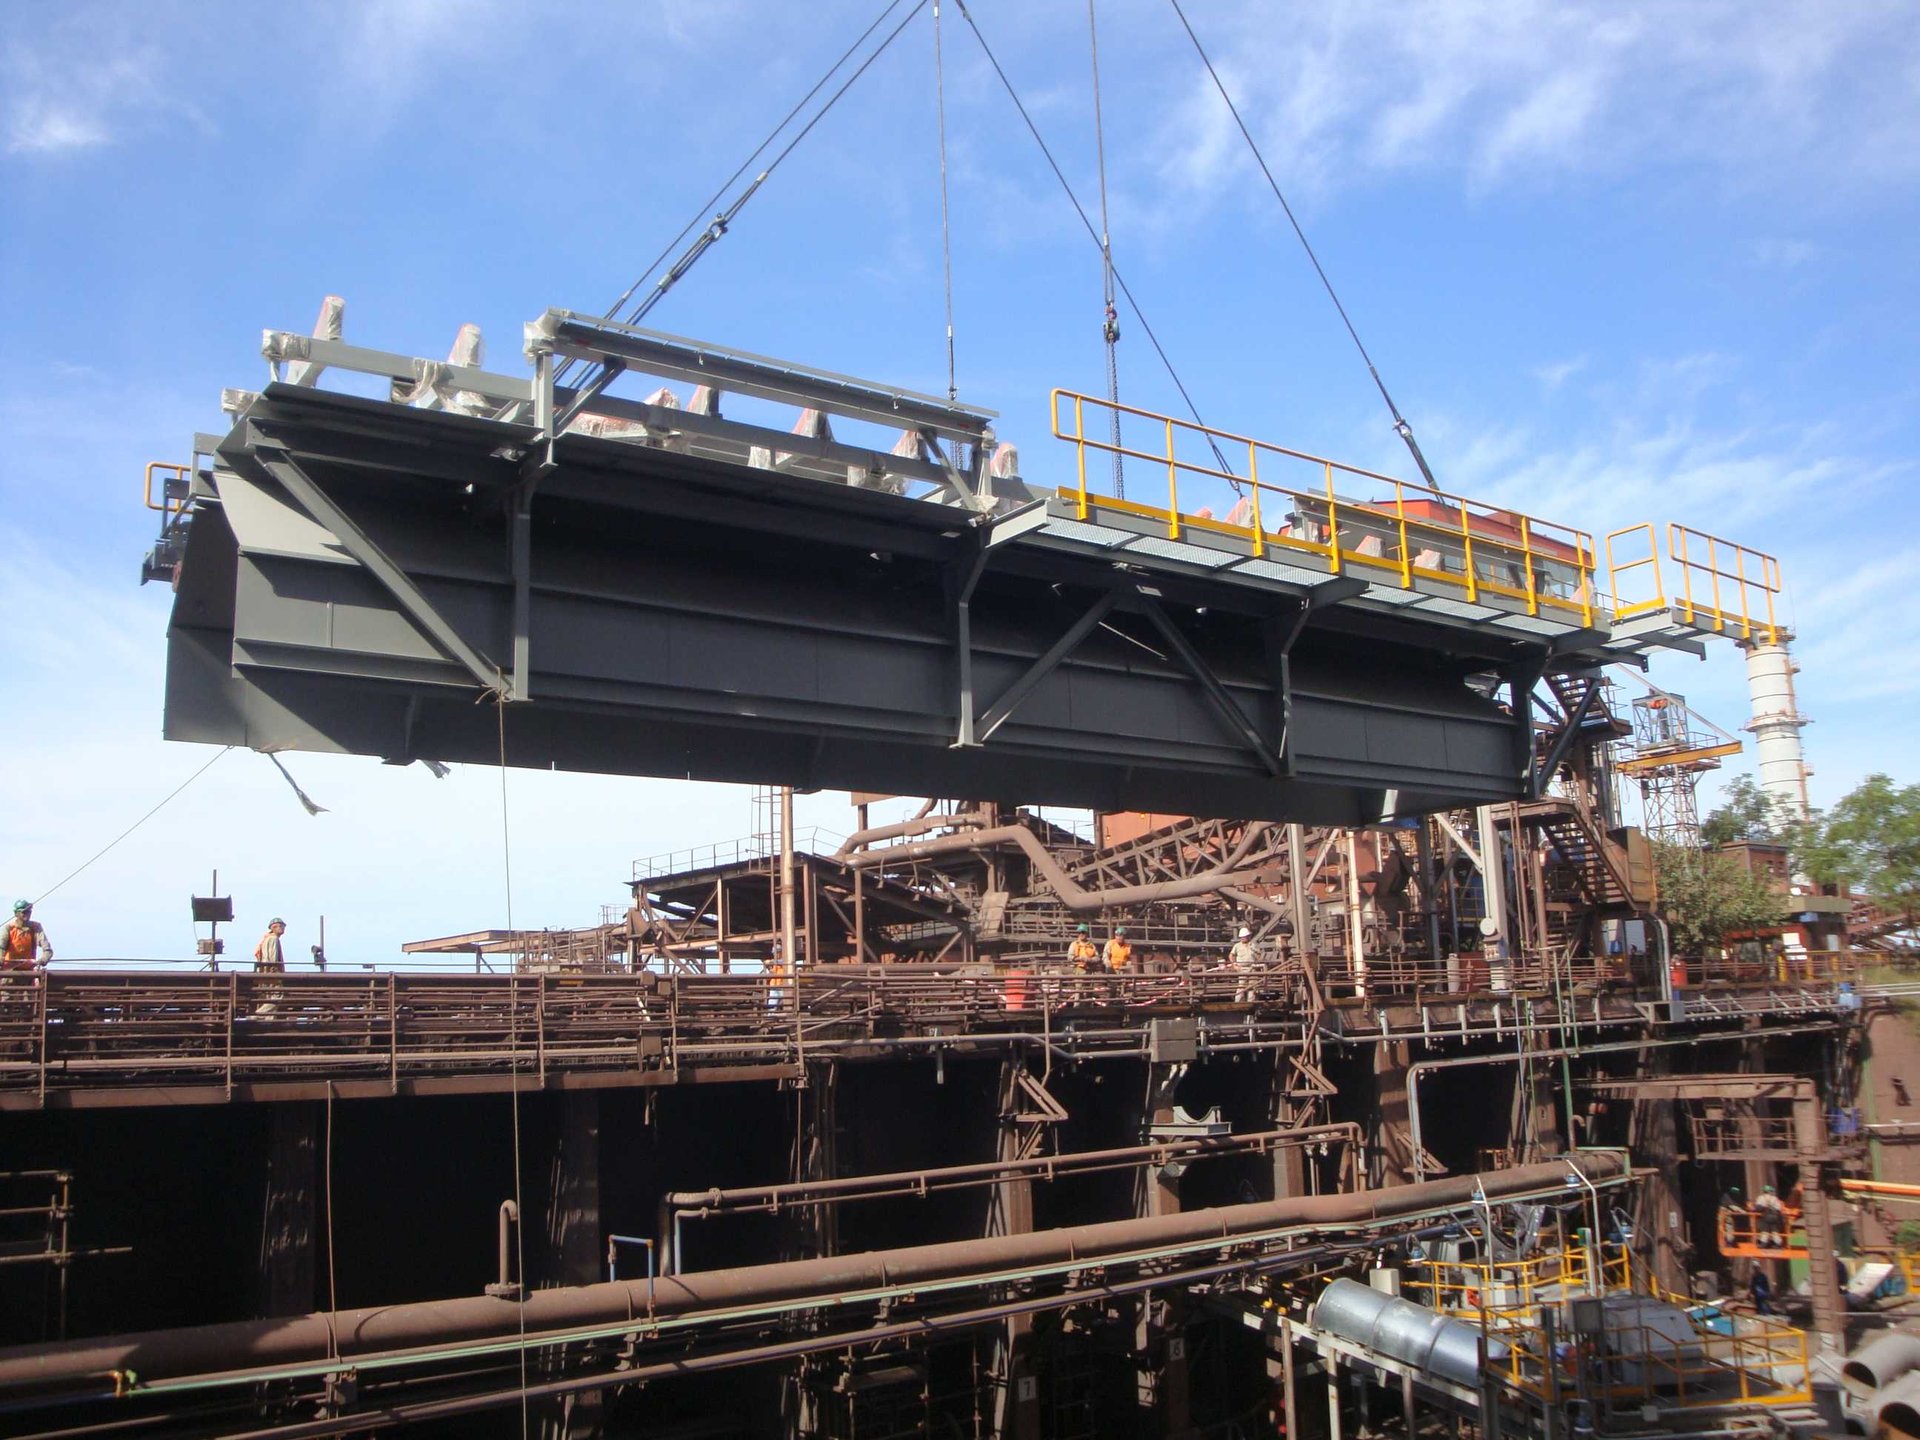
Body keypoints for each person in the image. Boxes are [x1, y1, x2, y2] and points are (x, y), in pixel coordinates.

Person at [3, 900, 51, 970]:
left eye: (29, 912)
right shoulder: (9, 928)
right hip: (9, 972)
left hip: (28, 972)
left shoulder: (35, 927)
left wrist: (44, 958)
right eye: (24, 912)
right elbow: (1, 947)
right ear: (16, 913)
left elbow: (47, 948)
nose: (27, 914)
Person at [1753, 1184, 1788, 1248]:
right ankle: (1778, 1243)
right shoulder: (1775, 1198)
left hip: (1766, 1217)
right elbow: (1779, 1208)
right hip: (1775, 1217)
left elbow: (1758, 1208)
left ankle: (1763, 1243)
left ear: (1764, 1191)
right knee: (1775, 1231)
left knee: (1765, 1231)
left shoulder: (1761, 1198)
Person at [1229, 926, 1258, 1002]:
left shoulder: (1253, 945)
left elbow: (1259, 955)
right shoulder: (1237, 946)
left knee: (1252, 987)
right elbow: (1231, 955)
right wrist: (1234, 964)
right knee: (1241, 986)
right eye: (1243, 937)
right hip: (1242, 968)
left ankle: (1251, 1003)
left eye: (1245, 937)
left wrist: (1257, 961)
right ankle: (1238, 1003)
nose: (1244, 938)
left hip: (1252, 968)